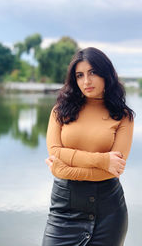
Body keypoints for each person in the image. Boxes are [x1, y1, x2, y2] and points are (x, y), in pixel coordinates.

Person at [41, 47, 135, 246]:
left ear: (106, 74)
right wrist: (101, 160)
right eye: (80, 75)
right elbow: (55, 152)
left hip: (108, 211)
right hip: (64, 208)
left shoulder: (123, 116)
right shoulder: (60, 110)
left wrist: (64, 170)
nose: (86, 81)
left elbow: (114, 170)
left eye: (92, 72)